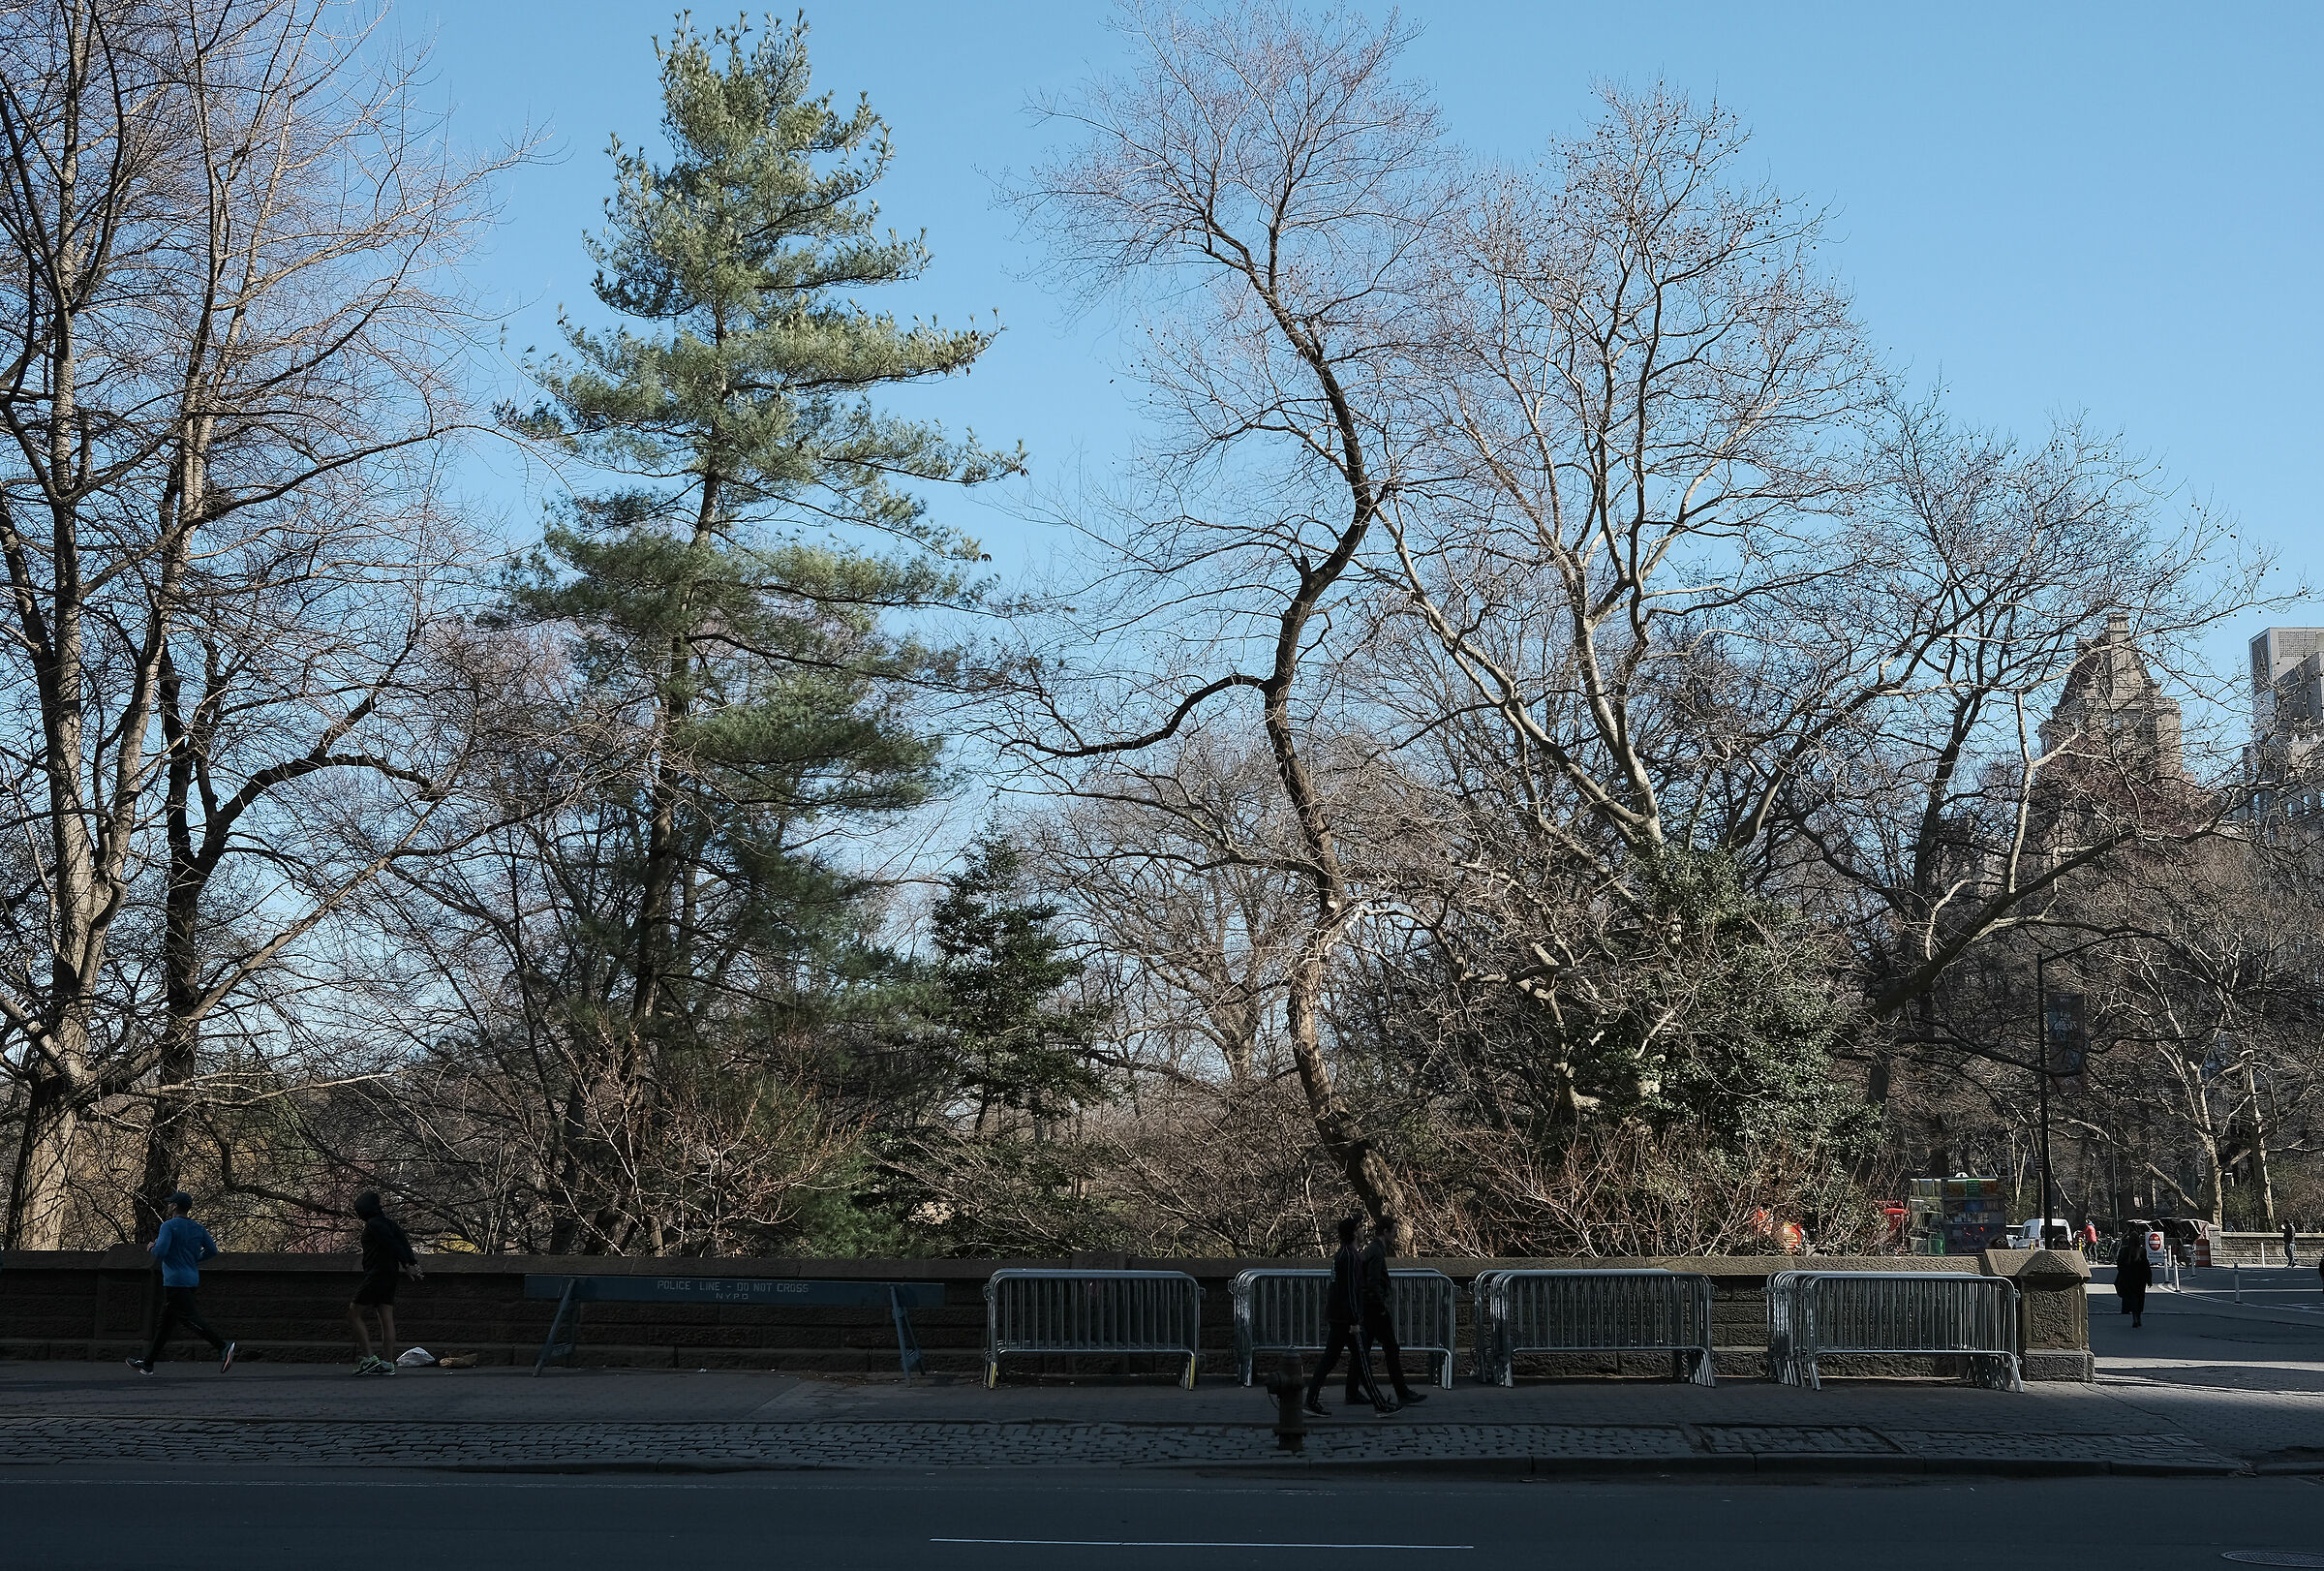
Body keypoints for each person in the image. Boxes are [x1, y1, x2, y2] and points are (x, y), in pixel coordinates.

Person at [127, 1191, 235, 1375]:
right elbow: (212, 1251)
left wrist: (152, 1247)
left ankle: (223, 1346)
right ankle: (148, 1363)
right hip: (191, 1279)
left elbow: (160, 1252)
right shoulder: (198, 1228)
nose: (168, 1206)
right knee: (165, 1324)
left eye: (170, 1203)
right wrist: (194, 1259)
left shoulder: (168, 1226)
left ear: (175, 1206)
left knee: (189, 1319)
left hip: (175, 1281)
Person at [1303, 1216, 1393, 1417]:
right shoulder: (1350, 1257)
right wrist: (1354, 1321)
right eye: (1360, 1228)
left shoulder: (1342, 1255)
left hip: (1338, 1318)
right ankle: (1379, 1405)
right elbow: (1350, 1292)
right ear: (1354, 1233)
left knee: (1331, 1361)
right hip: (1346, 1320)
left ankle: (1310, 1401)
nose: (1363, 1231)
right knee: (1362, 1361)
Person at [1347, 1214, 1428, 1407]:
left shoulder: (1372, 1250)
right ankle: (1402, 1392)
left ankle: (1351, 1392)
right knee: (1391, 1348)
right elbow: (1373, 1282)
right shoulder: (1376, 1251)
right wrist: (1382, 1307)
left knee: (1363, 1351)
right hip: (1375, 1310)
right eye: (1394, 1232)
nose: (1396, 1236)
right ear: (1385, 1232)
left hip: (1368, 1309)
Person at [347, 1191, 423, 1375]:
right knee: (385, 1317)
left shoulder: (374, 1225)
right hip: (390, 1275)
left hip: (376, 1274)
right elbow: (403, 1243)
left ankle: (368, 1359)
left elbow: (392, 1244)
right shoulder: (389, 1223)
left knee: (353, 1313)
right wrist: (411, 1263)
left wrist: (407, 1264)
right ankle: (388, 1362)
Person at [2114, 1232, 2151, 1329]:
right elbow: (2146, 1266)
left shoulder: (2124, 1251)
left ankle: (2134, 1315)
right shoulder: (2142, 1251)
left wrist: (2122, 1274)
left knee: (2131, 1298)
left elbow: (2119, 1264)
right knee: (2139, 1298)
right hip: (2140, 1279)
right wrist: (2149, 1279)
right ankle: (2137, 1316)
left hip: (2128, 1278)